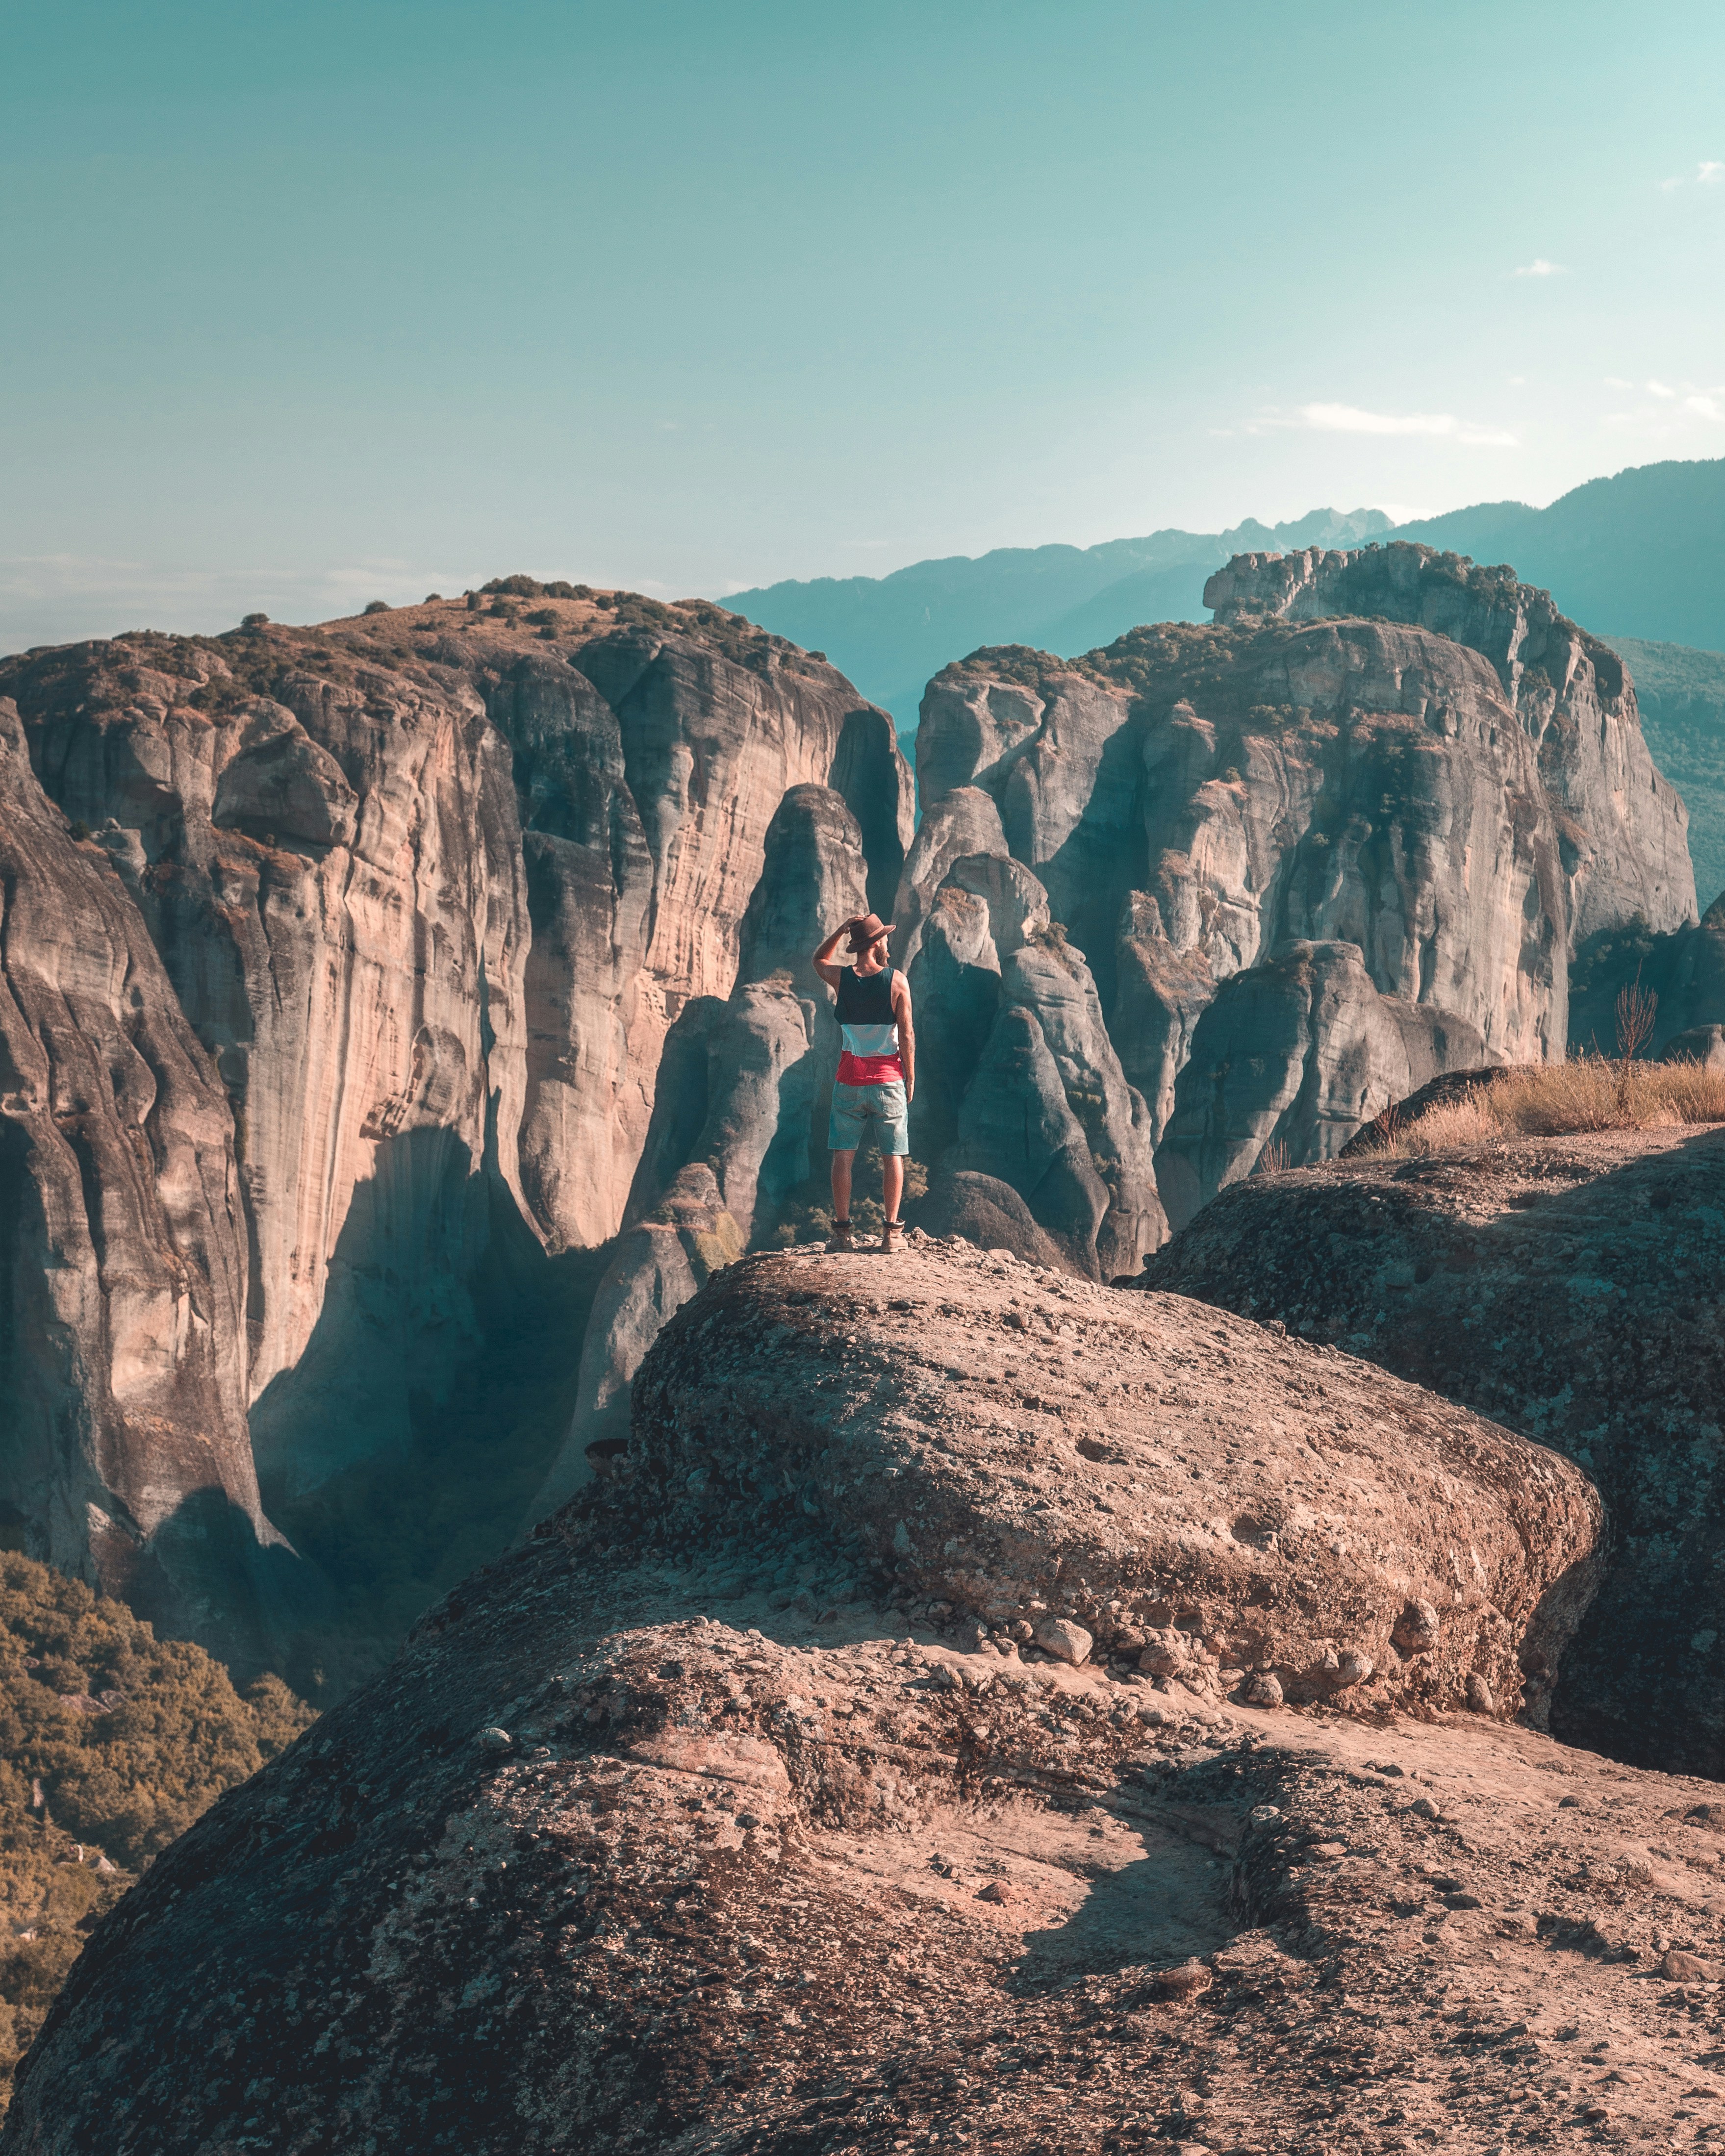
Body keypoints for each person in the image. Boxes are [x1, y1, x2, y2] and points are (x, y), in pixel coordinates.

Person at [812, 911, 915, 1253]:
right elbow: (907, 1033)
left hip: (849, 1081)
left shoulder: (841, 979)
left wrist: (842, 930)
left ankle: (842, 1235)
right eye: (884, 937)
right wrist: (910, 1076)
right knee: (893, 1155)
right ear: (875, 944)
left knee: (843, 1155)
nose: (889, 942)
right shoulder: (897, 981)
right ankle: (892, 1235)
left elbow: (818, 959)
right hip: (888, 1080)